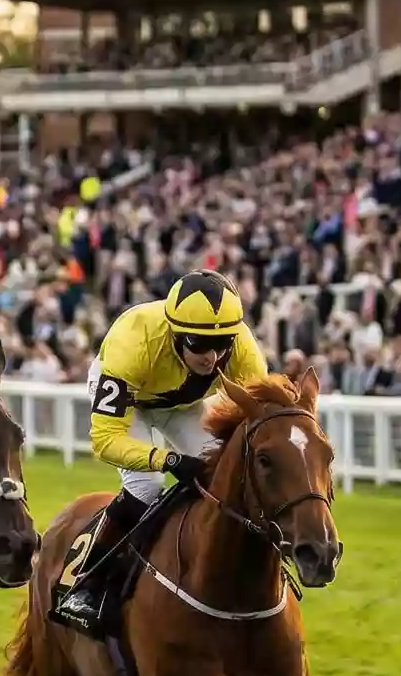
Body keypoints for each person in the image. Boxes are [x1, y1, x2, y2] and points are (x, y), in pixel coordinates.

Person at [51, 269, 267, 634]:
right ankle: (87, 583)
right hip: (130, 401)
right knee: (147, 486)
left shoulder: (240, 343)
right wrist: (166, 459)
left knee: (226, 472)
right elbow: (105, 440)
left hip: (182, 405)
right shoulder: (133, 341)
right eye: (198, 345)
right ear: (175, 333)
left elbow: (260, 412)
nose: (212, 357)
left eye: (222, 344)